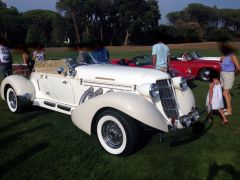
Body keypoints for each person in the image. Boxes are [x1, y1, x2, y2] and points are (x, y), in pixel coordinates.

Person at [219, 42, 240, 116]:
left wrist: (234, 74)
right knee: (227, 93)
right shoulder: (224, 55)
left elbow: (238, 68)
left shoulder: (232, 55)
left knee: (224, 93)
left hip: (228, 75)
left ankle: (229, 110)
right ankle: (227, 107)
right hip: (222, 74)